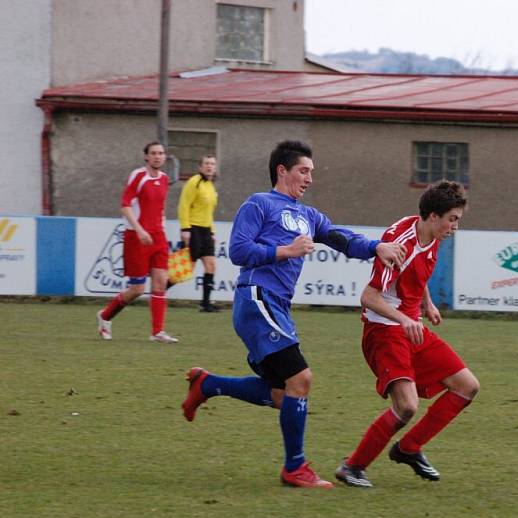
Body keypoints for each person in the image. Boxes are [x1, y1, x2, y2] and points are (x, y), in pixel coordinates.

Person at [180, 140, 406, 489]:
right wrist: (286, 250)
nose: (309, 178)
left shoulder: (308, 215)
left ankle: (208, 384)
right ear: (282, 170)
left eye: (312, 172)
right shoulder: (259, 203)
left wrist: (376, 246)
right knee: (301, 379)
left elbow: (341, 238)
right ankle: (295, 468)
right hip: (257, 299)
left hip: (277, 306)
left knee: (283, 395)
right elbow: (238, 250)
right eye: (304, 170)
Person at [335, 181, 480, 488]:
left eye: (458, 220)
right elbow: (369, 296)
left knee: (467, 386)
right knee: (407, 406)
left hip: (410, 326)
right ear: (431, 216)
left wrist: (427, 303)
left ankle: (409, 448)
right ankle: (353, 466)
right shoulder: (401, 244)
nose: (455, 226)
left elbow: (416, 272)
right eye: (452, 219)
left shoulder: (433, 234)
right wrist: (404, 318)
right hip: (384, 331)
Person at [96, 141, 179, 343]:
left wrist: (161, 230)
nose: (158, 156)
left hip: (158, 236)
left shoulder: (165, 178)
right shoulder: (138, 176)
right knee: (137, 290)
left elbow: (159, 209)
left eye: (161, 153)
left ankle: (157, 332)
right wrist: (140, 230)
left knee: (160, 282)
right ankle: (105, 316)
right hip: (137, 237)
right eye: (153, 153)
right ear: (146, 157)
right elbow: (125, 206)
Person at [177, 155, 220, 312]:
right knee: (186, 269)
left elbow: (209, 212)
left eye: (212, 164)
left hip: (206, 231)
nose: (209, 166)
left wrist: (212, 231)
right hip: (193, 229)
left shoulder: (210, 185)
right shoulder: (194, 182)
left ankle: (205, 303)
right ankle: (160, 290)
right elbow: (184, 205)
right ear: (200, 167)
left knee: (211, 265)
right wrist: (185, 229)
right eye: (206, 164)